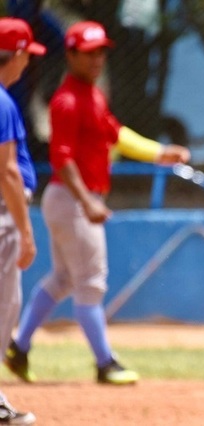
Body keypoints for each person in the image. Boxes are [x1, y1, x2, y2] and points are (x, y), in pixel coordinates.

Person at [3, 20, 190, 386]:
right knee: (91, 282)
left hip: (69, 200)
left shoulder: (92, 95)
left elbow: (115, 133)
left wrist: (159, 153)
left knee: (62, 279)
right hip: (73, 199)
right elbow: (62, 158)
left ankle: (20, 347)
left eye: (102, 52)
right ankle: (105, 363)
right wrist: (88, 201)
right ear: (70, 54)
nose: (97, 60)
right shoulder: (68, 100)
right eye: (89, 53)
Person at [0, 16, 45, 425]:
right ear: (14, 55)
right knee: (4, 304)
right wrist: (26, 232)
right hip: (2, 215)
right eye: (25, 55)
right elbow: (8, 171)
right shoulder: (2, 101)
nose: (27, 63)